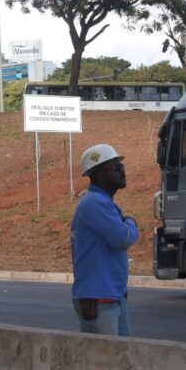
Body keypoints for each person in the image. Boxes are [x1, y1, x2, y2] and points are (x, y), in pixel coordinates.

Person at [71, 144, 139, 336]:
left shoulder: (102, 203)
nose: (122, 171)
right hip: (100, 300)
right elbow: (123, 238)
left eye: (122, 167)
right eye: (116, 167)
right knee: (102, 364)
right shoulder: (94, 203)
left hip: (110, 298)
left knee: (117, 362)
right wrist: (131, 223)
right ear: (99, 175)